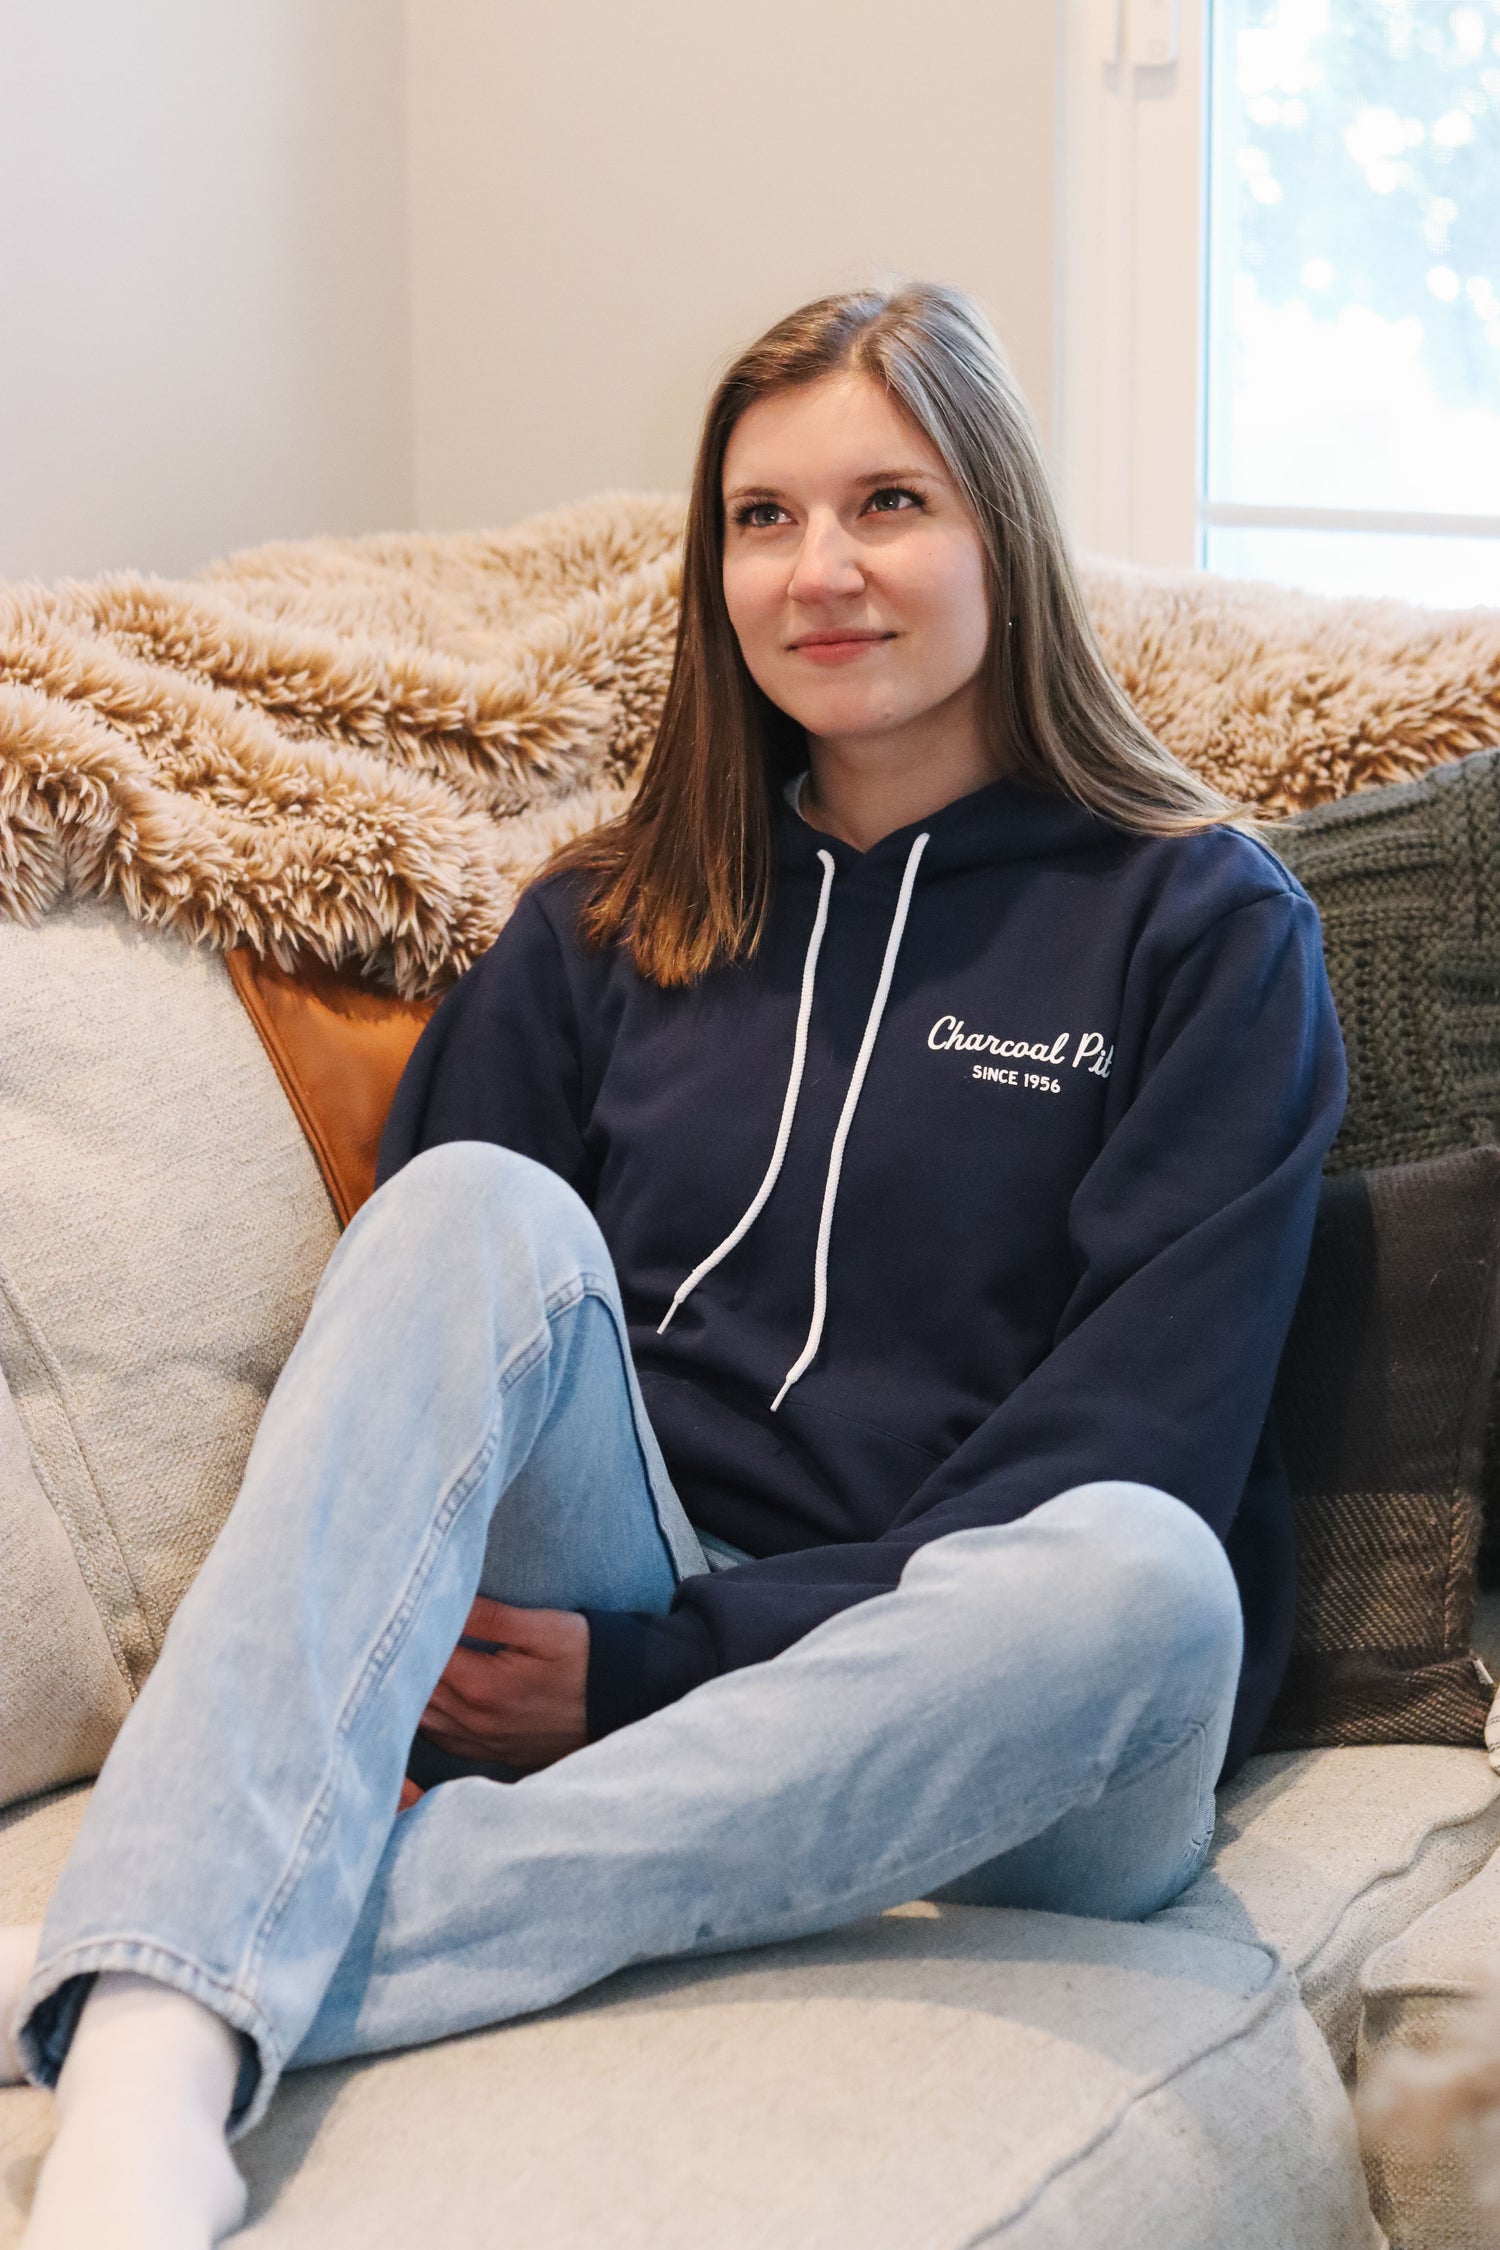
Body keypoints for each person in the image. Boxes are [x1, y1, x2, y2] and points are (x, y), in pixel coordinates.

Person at [0, 282, 1346, 2249]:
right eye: (761, 517)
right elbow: (425, 1358)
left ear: (1003, 531)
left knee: (1145, 1572)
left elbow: (1142, 1431)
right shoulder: (601, 918)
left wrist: (654, 1675)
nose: (821, 569)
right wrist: (612, 1631)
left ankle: (188, 1953)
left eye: (889, 503)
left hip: (996, 1698)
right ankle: (153, 2062)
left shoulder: (1206, 929)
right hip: (621, 1572)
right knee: (466, 1207)